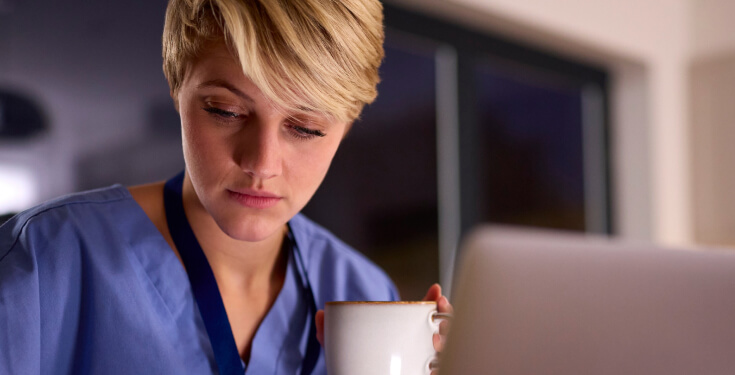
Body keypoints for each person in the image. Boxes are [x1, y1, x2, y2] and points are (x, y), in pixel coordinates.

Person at [0, 0, 452, 373]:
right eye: (226, 110)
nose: (261, 164)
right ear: (178, 88)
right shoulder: (45, 262)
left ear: (348, 125)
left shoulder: (365, 290)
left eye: (307, 129)